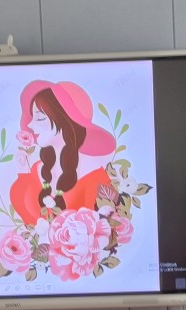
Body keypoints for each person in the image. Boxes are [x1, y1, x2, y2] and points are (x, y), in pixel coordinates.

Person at [10, 80, 117, 226]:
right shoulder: (36, 169)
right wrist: (23, 172)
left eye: (40, 117)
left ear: (64, 120)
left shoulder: (94, 174)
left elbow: (102, 228)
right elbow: (28, 221)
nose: (30, 125)